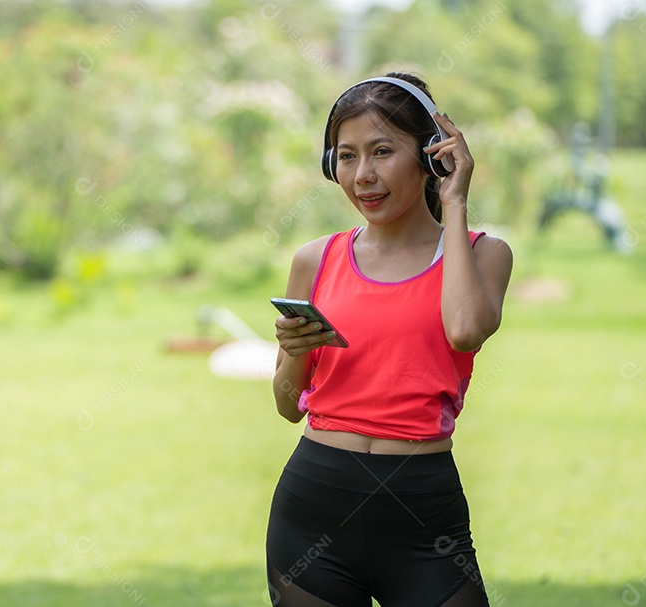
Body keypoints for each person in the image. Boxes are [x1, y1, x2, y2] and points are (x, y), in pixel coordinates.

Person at [267, 73, 513, 607]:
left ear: (431, 156)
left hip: (423, 515)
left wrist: (454, 202)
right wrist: (294, 353)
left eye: (382, 151)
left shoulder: (483, 255)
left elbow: (465, 329)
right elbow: (289, 407)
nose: (364, 176)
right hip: (313, 511)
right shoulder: (315, 260)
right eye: (347, 156)